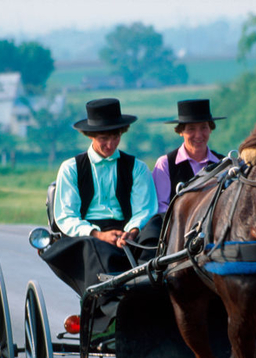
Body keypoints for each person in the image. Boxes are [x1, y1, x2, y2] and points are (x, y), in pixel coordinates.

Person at [39, 98, 159, 317]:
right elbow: (66, 216)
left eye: (116, 137)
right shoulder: (71, 169)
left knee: (157, 226)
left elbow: (145, 209)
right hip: (86, 235)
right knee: (93, 247)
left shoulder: (138, 168)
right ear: (90, 136)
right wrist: (98, 234)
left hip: (128, 231)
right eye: (104, 138)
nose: (111, 145)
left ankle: (149, 285)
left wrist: (131, 232)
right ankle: (112, 304)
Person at [151, 99, 226, 213]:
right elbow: (161, 206)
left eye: (203, 127)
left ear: (210, 129)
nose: (198, 135)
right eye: (191, 129)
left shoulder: (223, 163)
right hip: (177, 228)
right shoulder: (165, 164)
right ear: (180, 131)